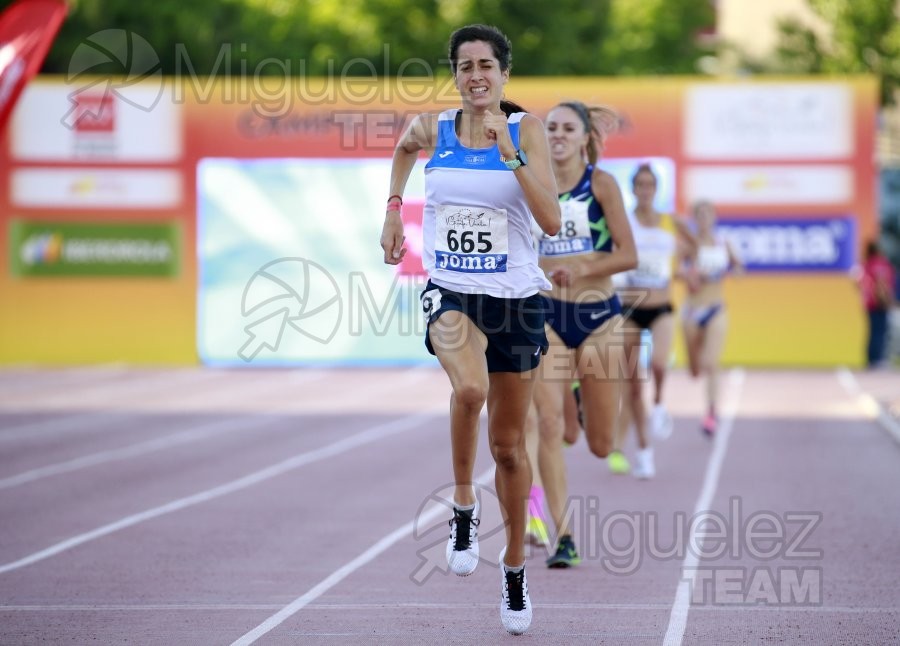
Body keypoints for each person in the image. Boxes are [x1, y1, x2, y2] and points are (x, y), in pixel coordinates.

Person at [379, 24, 561, 635]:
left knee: (509, 447)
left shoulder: (524, 130)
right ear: (454, 75)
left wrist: (511, 159)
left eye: (486, 64)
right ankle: (462, 503)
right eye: (465, 66)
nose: (476, 75)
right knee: (470, 390)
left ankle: (512, 570)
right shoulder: (434, 128)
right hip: (453, 289)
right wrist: (392, 212)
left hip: (515, 300)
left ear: (504, 74)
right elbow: (405, 150)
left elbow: (551, 219)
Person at [529, 101, 637, 567]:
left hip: (598, 318)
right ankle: (564, 535)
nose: (557, 134)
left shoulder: (601, 185)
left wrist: (583, 266)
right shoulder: (529, 186)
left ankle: (579, 401)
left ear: (584, 136)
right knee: (548, 426)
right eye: (550, 126)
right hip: (546, 316)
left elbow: (627, 254)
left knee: (599, 442)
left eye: (567, 128)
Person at [610, 163, 693, 479]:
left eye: (650, 185)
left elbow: (694, 249)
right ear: (633, 188)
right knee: (632, 387)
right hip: (630, 308)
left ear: (656, 189)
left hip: (661, 307)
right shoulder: (624, 222)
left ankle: (659, 404)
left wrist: (683, 267)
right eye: (640, 185)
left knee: (659, 363)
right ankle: (644, 452)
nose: (645, 190)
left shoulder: (671, 223)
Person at [679, 200, 742, 436]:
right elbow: (676, 271)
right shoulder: (688, 245)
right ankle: (696, 369)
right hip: (693, 311)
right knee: (695, 370)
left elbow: (739, 268)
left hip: (716, 308)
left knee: (712, 363)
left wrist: (732, 270)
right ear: (694, 219)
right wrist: (690, 275)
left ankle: (711, 413)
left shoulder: (722, 243)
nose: (704, 218)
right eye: (699, 214)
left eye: (708, 214)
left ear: (714, 217)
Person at [859, 240, 896, 368]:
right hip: (879, 303)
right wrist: (886, 300)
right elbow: (881, 284)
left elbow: (858, 283)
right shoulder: (880, 264)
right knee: (880, 331)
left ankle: (871, 358)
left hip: (868, 303)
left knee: (873, 331)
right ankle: (877, 359)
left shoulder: (866, 265)